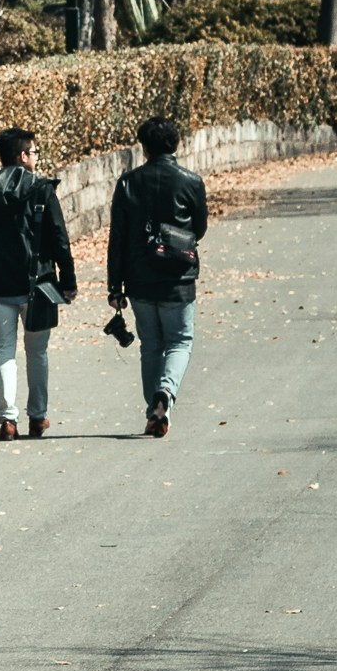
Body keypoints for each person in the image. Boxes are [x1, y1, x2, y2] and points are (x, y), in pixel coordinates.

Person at [0, 127, 78, 440]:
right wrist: (67, 280)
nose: (36, 157)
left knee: (4, 350)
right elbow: (59, 238)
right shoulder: (41, 189)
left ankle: (8, 418)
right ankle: (37, 415)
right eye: (34, 152)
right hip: (38, 283)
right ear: (23, 155)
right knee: (37, 351)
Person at [107, 116, 208, 437]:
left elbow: (117, 237)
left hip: (138, 278)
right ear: (175, 144)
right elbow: (200, 228)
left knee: (150, 345)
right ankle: (166, 392)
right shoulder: (190, 181)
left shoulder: (127, 182)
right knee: (180, 341)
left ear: (145, 147)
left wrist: (114, 285)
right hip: (178, 276)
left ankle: (154, 409)